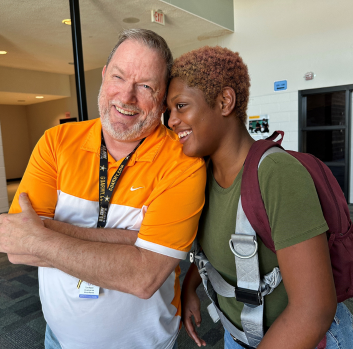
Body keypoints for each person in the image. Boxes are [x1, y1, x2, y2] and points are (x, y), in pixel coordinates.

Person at [0, 29, 206, 349]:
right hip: (59, 338)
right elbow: (18, 245)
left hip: (145, 342)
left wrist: (42, 235)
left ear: (163, 96)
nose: (126, 97)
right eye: (119, 77)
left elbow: (144, 278)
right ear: (103, 77)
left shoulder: (183, 162)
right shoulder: (56, 143)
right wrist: (134, 242)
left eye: (146, 86)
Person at [166, 45, 353, 349]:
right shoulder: (200, 173)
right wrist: (190, 285)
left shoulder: (277, 174)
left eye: (181, 106)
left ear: (225, 101)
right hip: (238, 336)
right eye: (169, 110)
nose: (172, 120)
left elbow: (313, 311)